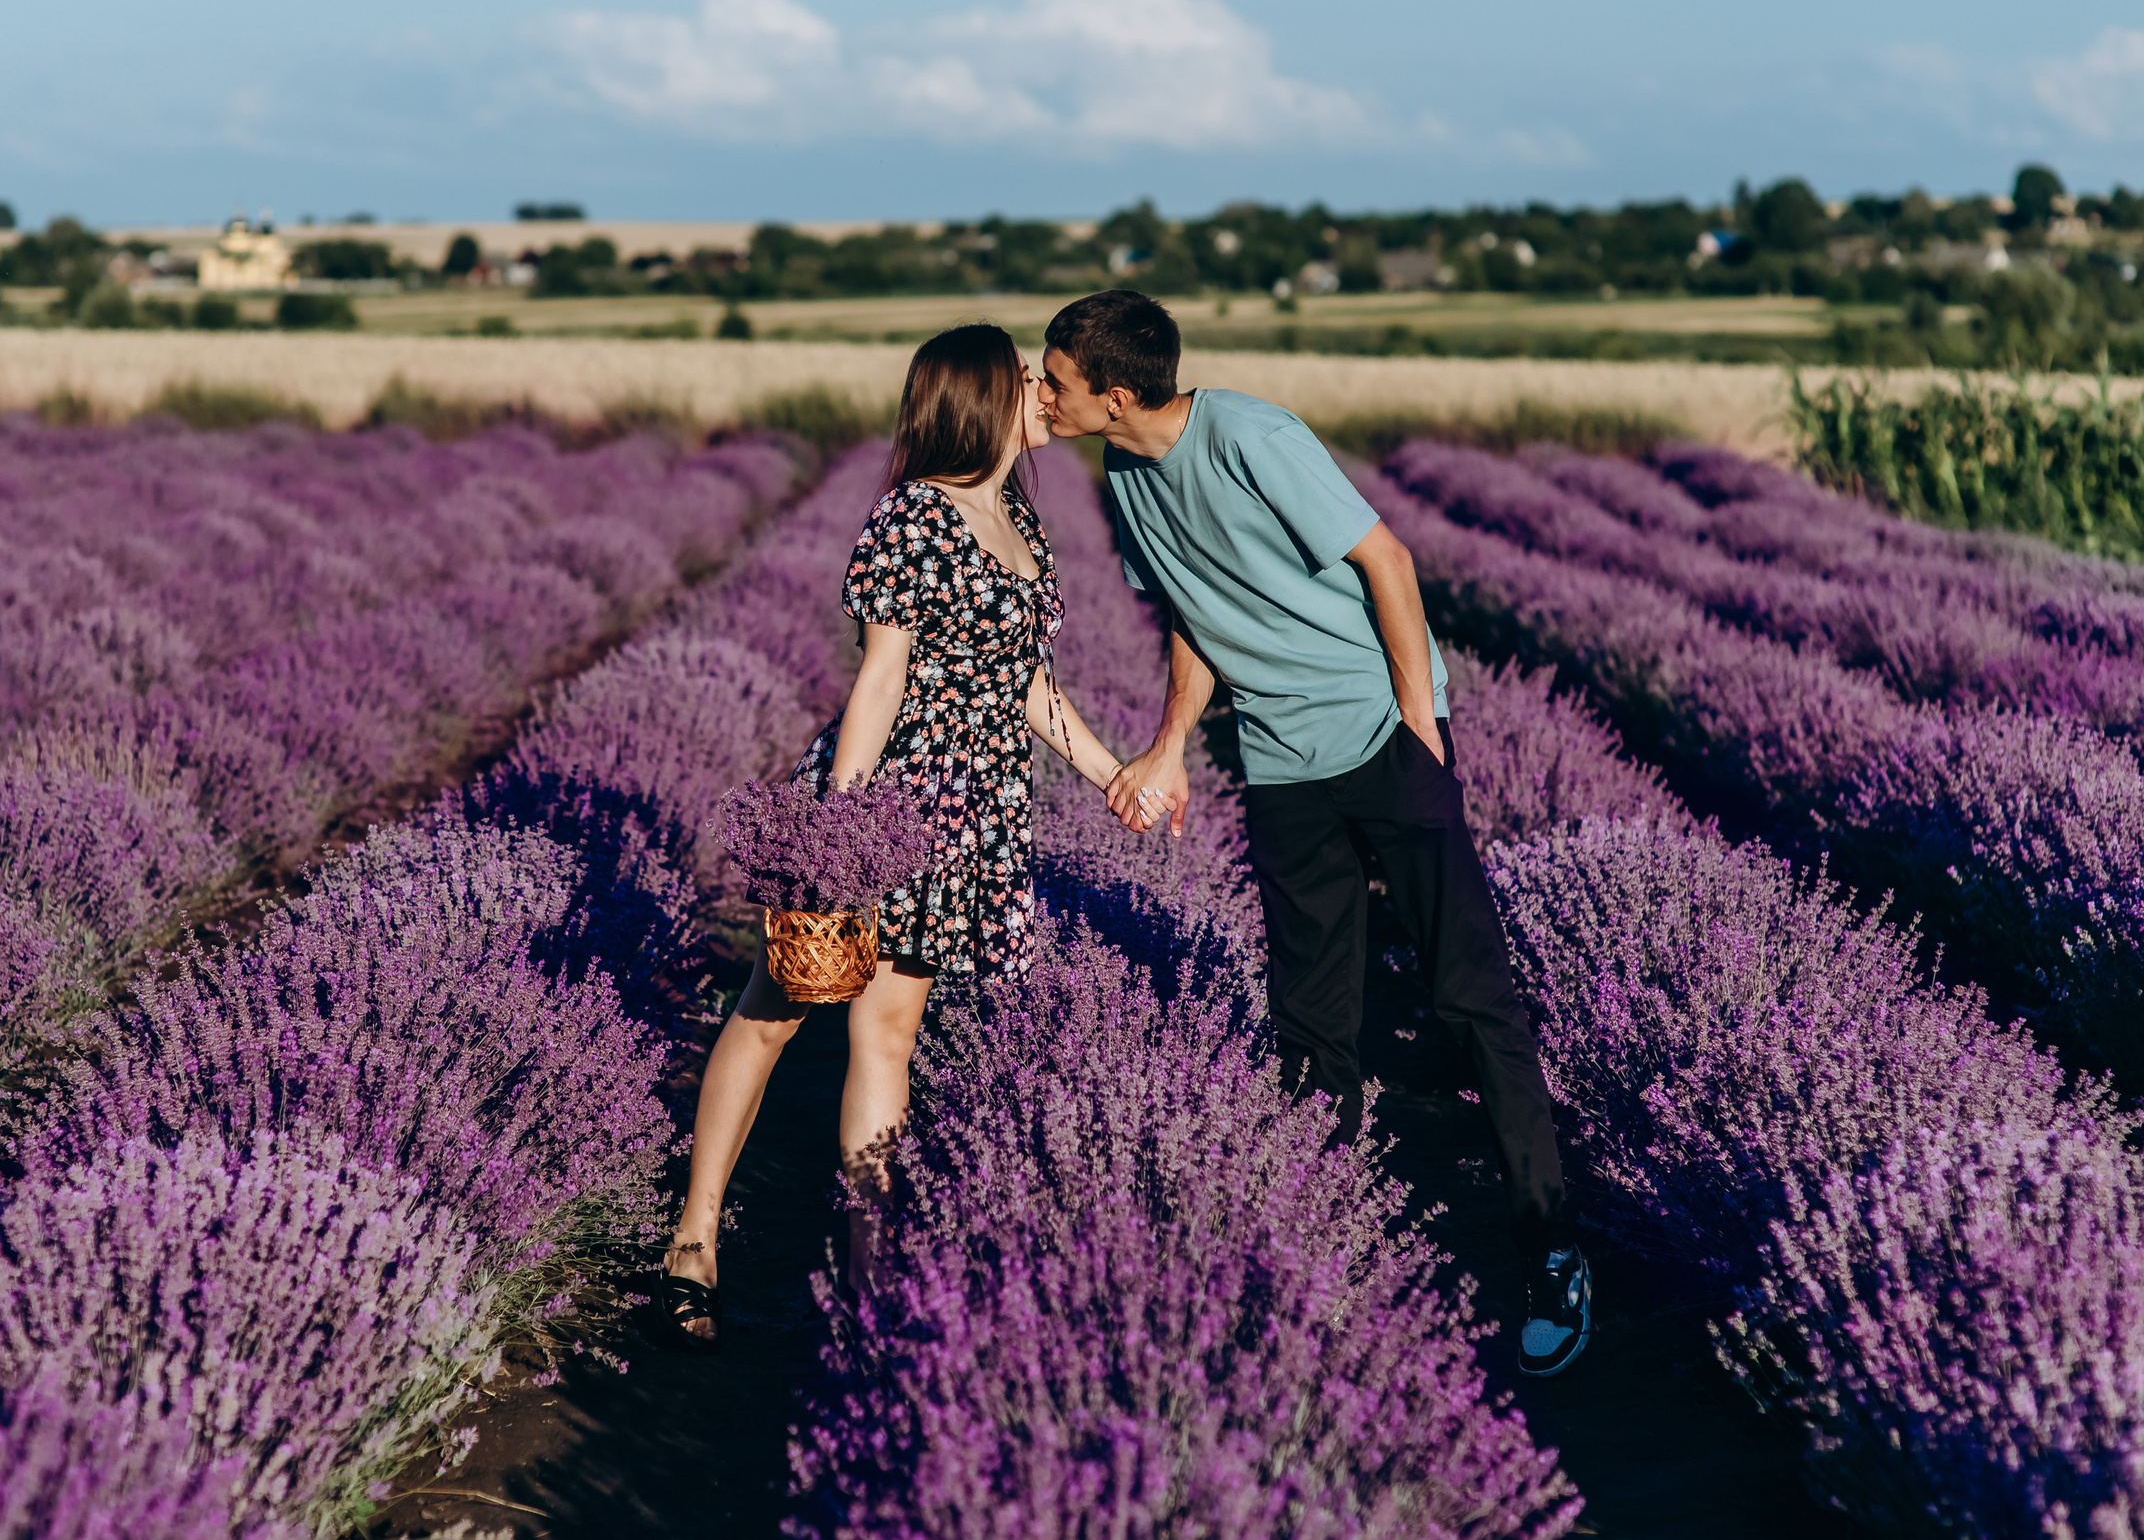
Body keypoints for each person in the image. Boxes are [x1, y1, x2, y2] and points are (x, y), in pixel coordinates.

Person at [1038, 289, 1592, 1380]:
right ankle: (1328, 1261)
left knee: (1469, 994)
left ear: (1111, 391)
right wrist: (1166, 745)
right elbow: (1197, 616)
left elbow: (1386, 561)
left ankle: (1551, 1246)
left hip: (1384, 739)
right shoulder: (1127, 469)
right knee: (1309, 1021)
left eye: (1052, 378)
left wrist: (1419, 727)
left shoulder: (1252, 434)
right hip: (1282, 763)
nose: (1039, 392)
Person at [654, 322, 1133, 1351]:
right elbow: (879, 677)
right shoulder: (911, 518)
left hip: (975, 813)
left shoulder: (1019, 521)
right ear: (981, 399)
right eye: (1026, 383)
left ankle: (866, 1272)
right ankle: (694, 1233)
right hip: (890, 805)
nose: (1047, 397)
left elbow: (1028, 686)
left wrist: (1109, 776)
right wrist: (840, 831)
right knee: (778, 1008)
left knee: (887, 1034)